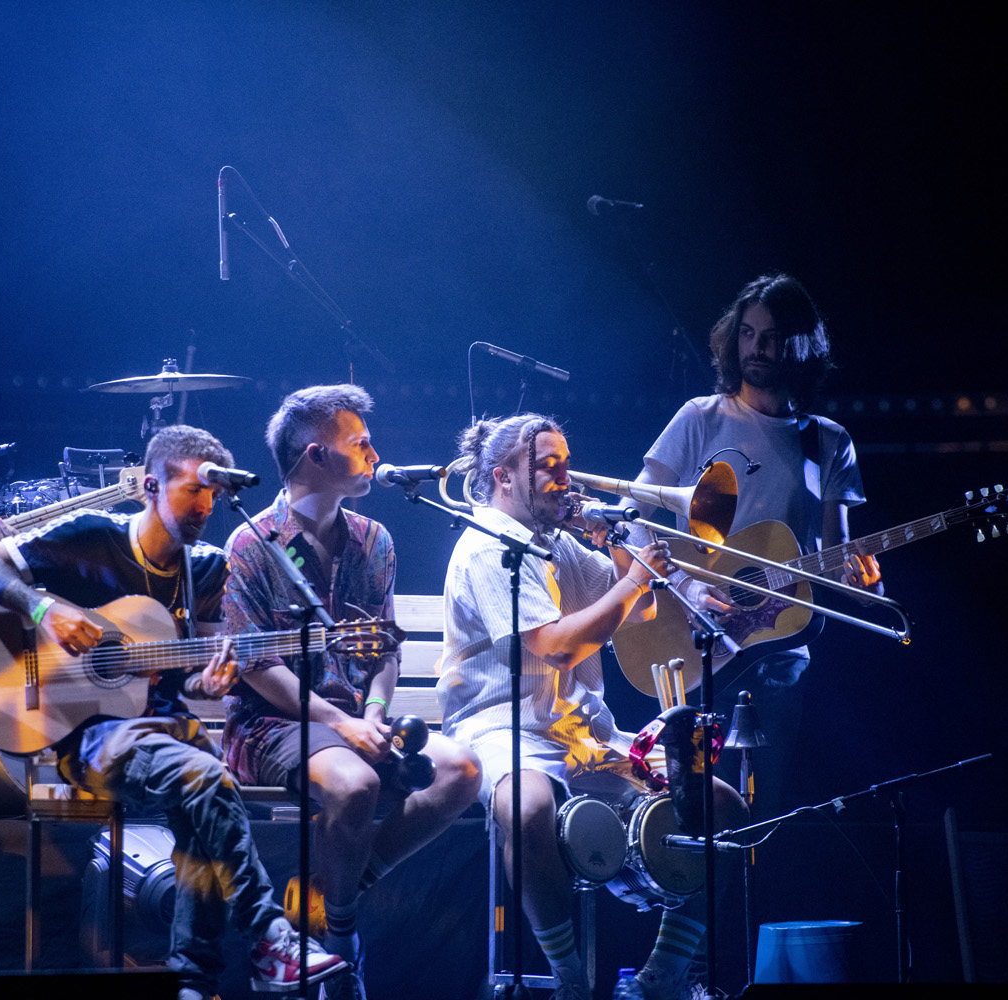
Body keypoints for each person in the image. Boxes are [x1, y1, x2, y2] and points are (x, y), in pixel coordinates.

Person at [0, 424, 346, 1000]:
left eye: (213, 493)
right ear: (149, 486)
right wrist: (44, 612)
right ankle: (267, 939)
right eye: (193, 490)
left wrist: (207, 683)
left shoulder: (206, 568)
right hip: (82, 734)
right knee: (205, 778)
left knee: (206, 793)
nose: (205, 506)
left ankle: (194, 982)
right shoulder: (91, 536)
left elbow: (191, 668)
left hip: (167, 734)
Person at [436, 413, 748, 1000]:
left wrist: (619, 542)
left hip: (579, 734)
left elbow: (641, 607)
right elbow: (558, 647)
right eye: (548, 466)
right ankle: (571, 980)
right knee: (528, 809)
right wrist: (632, 583)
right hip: (501, 728)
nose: (566, 478)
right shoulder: (487, 546)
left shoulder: (559, 545)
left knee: (722, 805)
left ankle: (662, 976)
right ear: (503, 476)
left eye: (566, 464)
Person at [222, 384, 482, 1000]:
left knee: (463, 770)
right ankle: (342, 943)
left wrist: (375, 712)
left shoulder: (375, 539)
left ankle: (332, 896)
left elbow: (385, 648)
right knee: (356, 784)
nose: (375, 454)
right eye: (360, 443)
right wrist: (343, 726)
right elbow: (256, 667)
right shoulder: (251, 543)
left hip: (353, 722)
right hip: (271, 725)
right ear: (316, 455)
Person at [631, 273, 883, 808]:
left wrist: (866, 588)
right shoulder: (699, 418)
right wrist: (685, 589)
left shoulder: (828, 442)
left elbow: (834, 560)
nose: (757, 348)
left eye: (771, 337)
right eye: (747, 334)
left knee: (759, 810)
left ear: (801, 345)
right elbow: (631, 519)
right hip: (691, 638)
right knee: (689, 810)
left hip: (778, 653)